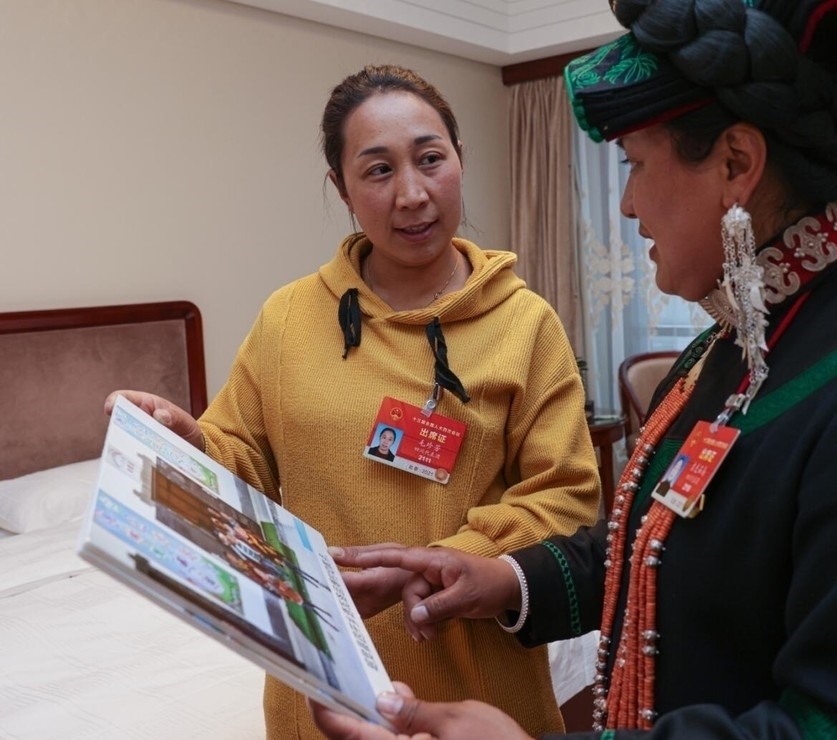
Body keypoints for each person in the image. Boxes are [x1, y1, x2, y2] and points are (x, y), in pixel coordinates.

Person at [311, 0, 837, 737]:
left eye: (636, 163)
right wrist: (503, 578)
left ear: (736, 164)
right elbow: (660, 545)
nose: (626, 203)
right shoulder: (733, 343)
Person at [105, 64, 602, 739]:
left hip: (475, 689)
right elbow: (242, 460)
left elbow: (564, 496)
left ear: (460, 158)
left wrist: (438, 563)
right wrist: (191, 442)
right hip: (320, 683)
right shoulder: (289, 317)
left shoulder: (525, 323)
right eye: (378, 171)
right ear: (341, 188)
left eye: (431, 159)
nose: (412, 194)